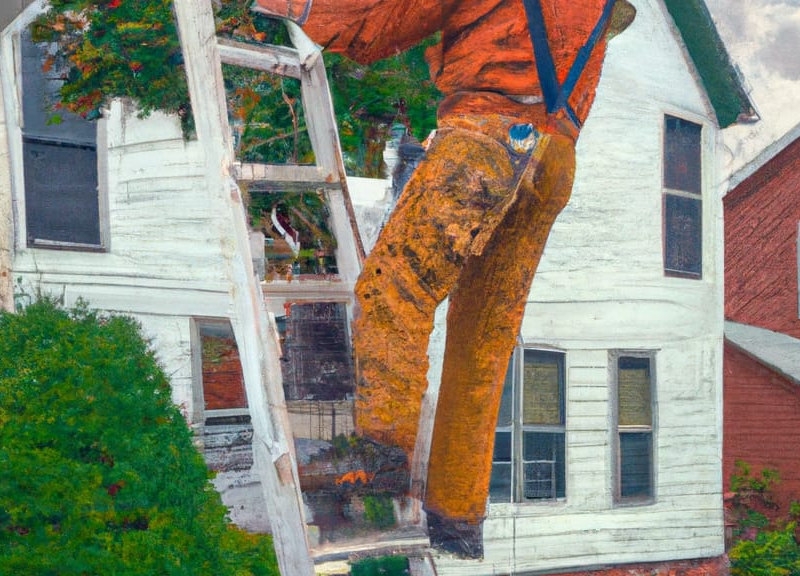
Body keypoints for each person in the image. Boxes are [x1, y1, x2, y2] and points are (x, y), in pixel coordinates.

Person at [254, 0, 634, 556]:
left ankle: (376, 477)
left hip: (481, 143)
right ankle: (457, 516)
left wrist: (296, 6)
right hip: (554, 160)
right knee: (483, 338)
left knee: (393, 293)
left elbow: (381, 27)